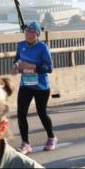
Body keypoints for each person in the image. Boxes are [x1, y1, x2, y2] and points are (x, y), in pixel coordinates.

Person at [12, 21, 56, 154]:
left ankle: (51, 137)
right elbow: (17, 59)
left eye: (32, 32)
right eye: (27, 32)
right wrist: (15, 66)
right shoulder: (21, 45)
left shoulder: (43, 47)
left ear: (37, 35)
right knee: (21, 114)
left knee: (42, 113)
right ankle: (25, 143)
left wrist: (31, 67)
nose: (29, 35)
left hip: (41, 87)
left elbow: (49, 67)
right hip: (26, 85)